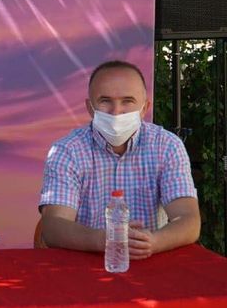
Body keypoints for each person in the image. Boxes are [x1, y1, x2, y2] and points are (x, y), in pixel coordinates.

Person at [39, 60, 200, 258]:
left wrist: (154, 242)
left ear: (144, 108)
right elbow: (53, 226)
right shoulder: (67, 151)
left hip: (150, 262)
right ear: (90, 107)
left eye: (128, 101)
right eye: (105, 101)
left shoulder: (167, 146)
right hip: (84, 263)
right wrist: (104, 240)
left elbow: (188, 219)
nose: (116, 111)